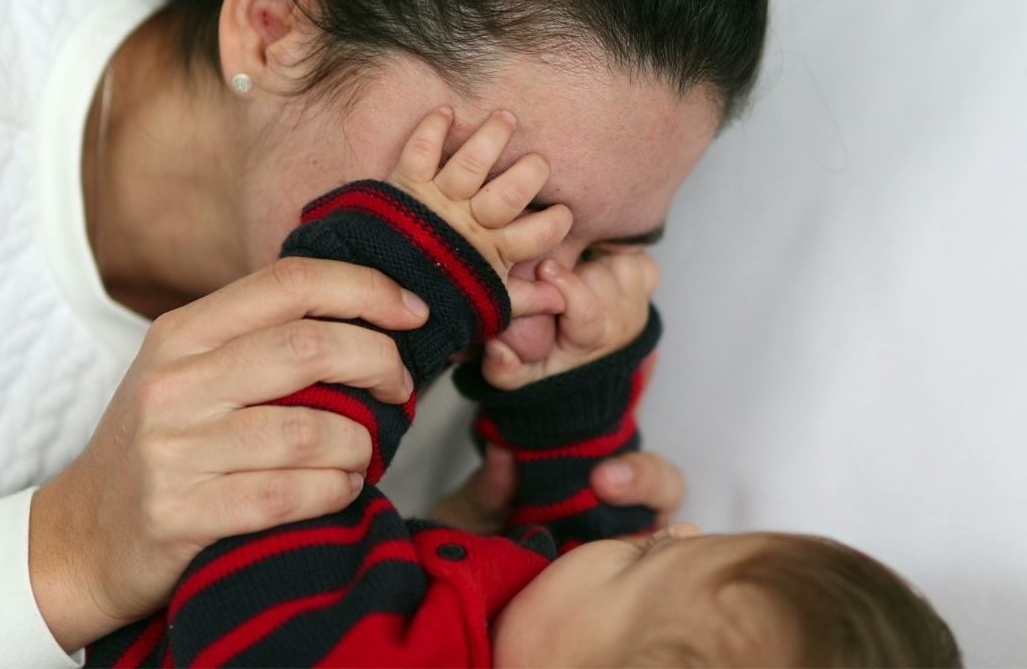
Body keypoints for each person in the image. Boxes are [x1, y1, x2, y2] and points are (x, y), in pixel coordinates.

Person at [0, 0, 761, 665]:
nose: (523, 321)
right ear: (275, 24)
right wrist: (65, 554)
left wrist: (448, 596)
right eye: (490, 199)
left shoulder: (443, 360)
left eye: (601, 252)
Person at [86, 109, 961, 668]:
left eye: (650, 560)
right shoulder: (544, 634)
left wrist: (413, 264)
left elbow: (275, 484)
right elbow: (582, 543)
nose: (677, 529)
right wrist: (572, 389)